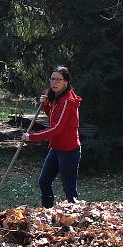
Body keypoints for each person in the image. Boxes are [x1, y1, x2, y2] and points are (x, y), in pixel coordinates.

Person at [22, 66, 82, 208]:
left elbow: (57, 129)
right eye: (52, 79)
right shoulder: (57, 97)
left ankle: (76, 220)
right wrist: (46, 105)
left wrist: (31, 137)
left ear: (65, 82)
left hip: (69, 151)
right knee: (44, 181)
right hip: (56, 148)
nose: (54, 82)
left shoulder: (67, 100)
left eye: (58, 80)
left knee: (69, 190)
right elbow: (53, 117)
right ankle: (47, 212)